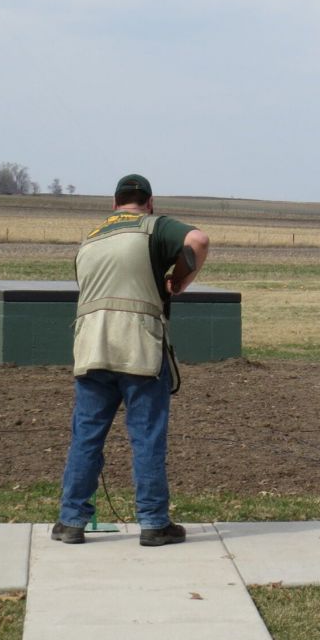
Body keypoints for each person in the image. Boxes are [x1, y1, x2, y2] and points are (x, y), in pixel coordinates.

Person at [52, 174, 210, 545]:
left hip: (91, 348)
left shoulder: (90, 239)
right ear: (149, 203)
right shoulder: (153, 227)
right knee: (146, 437)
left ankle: (72, 521)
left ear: (114, 203)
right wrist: (182, 279)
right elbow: (198, 241)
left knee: (86, 437)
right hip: (138, 347)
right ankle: (154, 523)